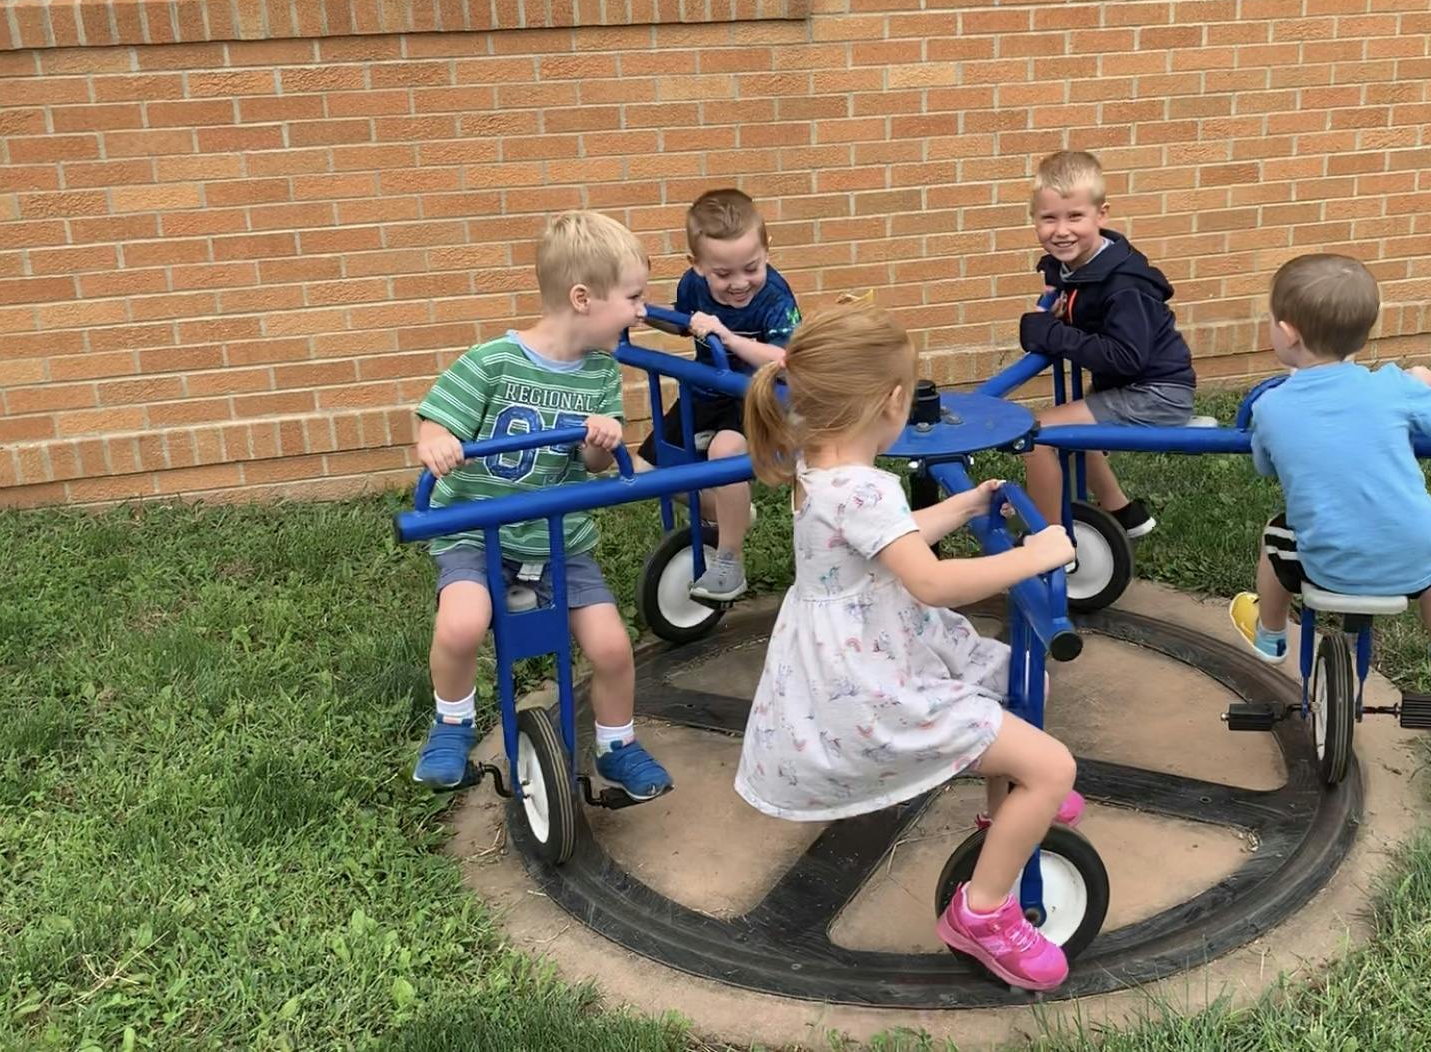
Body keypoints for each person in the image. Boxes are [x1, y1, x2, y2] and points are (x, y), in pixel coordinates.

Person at [733, 299, 1085, 992]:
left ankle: (1007, 805)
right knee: (1054, 767)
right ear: (894, 402)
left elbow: (876, 542)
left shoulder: (816, 466)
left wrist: (959, 507)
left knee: (1011, 678)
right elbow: (929, 583)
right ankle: (983, 914)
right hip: (870, 680)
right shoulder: (863, 487)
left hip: (850, 649)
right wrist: (1036, 554)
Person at [409, 210, 673, 799]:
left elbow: (599, 467)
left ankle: (617, 744)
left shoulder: (603, 372)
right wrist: (438, 444)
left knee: (610, 645)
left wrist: (600, 442)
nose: (640, 311)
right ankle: (452, 724)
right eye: (633, 297)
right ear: (583, 298)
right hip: (480, 535)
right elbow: (433, 421)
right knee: (462, 624)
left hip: (559, 540)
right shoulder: (491, 362)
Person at [1229, 253, 1431, 685]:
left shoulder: (1270, 407)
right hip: (1414, 559)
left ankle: (1270, 633)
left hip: (1325, 566)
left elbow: (1264, 466)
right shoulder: (1394, 386)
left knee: (1275, 535)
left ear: (1288, 334)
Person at [1016, 149, 1196, 537]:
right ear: (1034, 219)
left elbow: (1126, 357)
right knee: (1073, 430)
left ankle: (1048, 544)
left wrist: (1051, 333)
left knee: (1037, 434)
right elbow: (1075, 283)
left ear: (1102, 215)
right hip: (1134, 386)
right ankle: (1126, 515)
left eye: (1075, 217)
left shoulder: (1124, 285)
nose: (1061, 231)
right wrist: (1054, 274)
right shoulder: (1084, 264)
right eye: (1049, 218)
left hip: (1157, 392)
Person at [633, 188, 800, 602]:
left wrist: (727, 337)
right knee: (640, 470)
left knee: (725, 453)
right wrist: (643, 313)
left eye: (751, 267)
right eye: (723, 274)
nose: (740, 283)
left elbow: (783, 358)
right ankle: (728, 510)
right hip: (707, 388)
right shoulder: (692, 285)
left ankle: (729, 558)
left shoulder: (775, 296)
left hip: (758, 395)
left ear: (766, 250)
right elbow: (685, 324)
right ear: (697, 265)